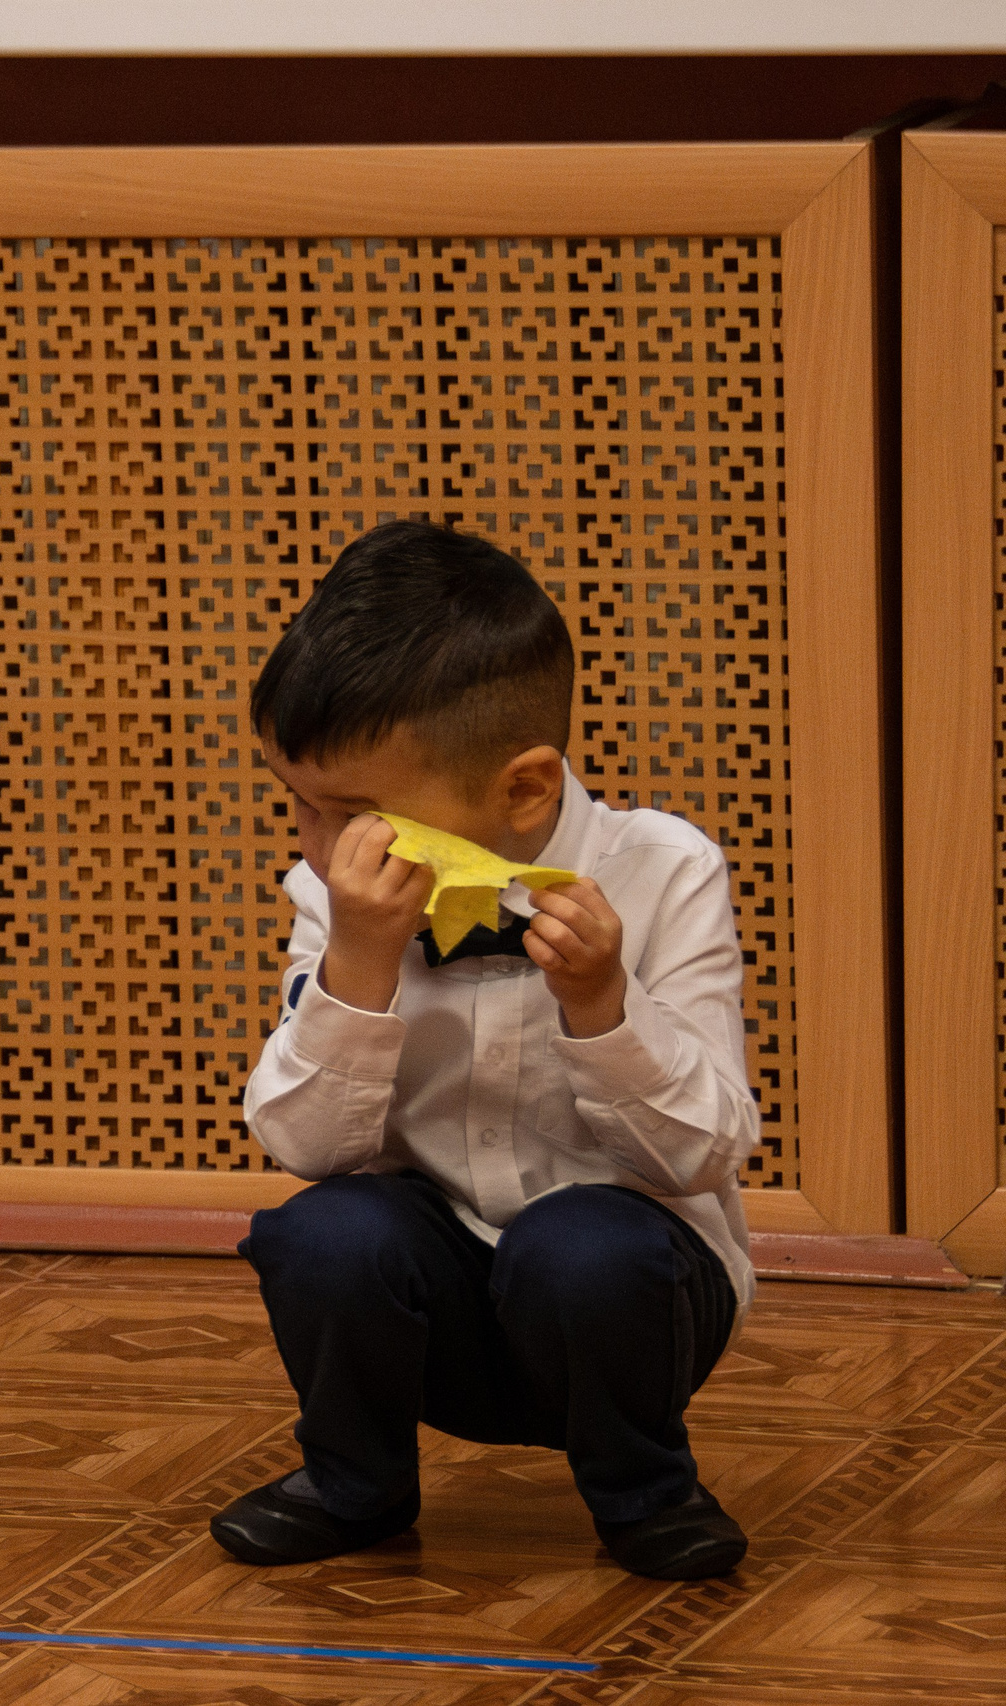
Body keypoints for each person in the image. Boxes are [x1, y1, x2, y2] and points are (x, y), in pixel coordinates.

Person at [211, 519, 755, 1581]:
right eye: (298, 805)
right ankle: (352, 1478)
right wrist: (358, 968)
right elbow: (300, 1140)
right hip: (435, 1310)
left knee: (580, 1245)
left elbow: (705, 1151)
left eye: (356, 815)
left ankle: (646, 1489)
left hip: (632, 1300)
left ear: (520, 788)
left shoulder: (663, 871)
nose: (319, 848)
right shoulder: (337, 898)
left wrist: (603, 1002)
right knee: (323, 1232)